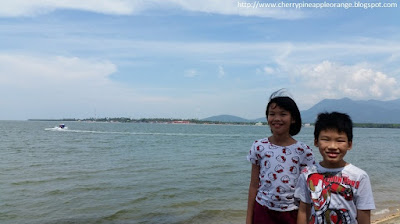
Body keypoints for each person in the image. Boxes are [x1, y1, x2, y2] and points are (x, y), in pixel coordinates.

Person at [246, 89, 315, 224]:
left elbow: (308, 189)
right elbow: (254, 185)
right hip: (263, 209)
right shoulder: (259, 146)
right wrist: (249, 218)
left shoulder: (303, 151)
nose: (277, 118)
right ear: (267, 118)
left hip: (293, 211)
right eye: (272, 114)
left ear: (293, 118)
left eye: (283, 114)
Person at [295, 112, 375, 224]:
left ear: (349, 144)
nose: (332, 146)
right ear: (316, 142)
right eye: (326, 139)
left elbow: (364, 214)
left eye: (340, 140)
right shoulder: (307, 173)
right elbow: (304, 210)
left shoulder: (359, 176)